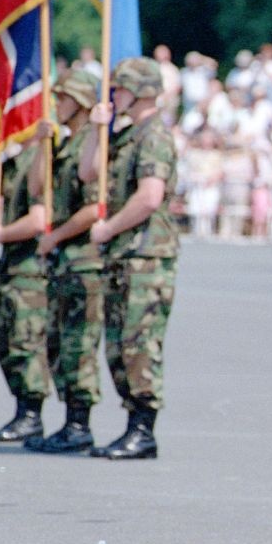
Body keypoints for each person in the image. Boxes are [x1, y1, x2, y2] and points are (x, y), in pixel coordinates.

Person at [81, 56, 180, 460]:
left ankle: (143, 430)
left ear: (140, 91)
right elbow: (89, 172)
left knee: (140, 345)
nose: (114, 95)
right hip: (124, 256)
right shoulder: (125, 135)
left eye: (119, 89)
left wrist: (109, 228)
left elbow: (150, 196)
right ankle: (132, 424)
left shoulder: (154, 135)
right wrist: (96, 130)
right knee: (119, 346)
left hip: (146, 256)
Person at [25, 68, 105, 453]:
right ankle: (70, 420)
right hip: (63, 262)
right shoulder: (65, 142)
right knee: (57, 343)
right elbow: (36, 187)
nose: (57, 102)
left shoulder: (93, 142)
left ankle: (80, 424)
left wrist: (55, 235)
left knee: (79, 345)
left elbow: (94, 209)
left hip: (84, 260)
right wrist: (42, 145)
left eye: (64, 96)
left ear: (82, 101)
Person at [0, 140, 52, 443]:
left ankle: (31, 415)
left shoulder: (39, 158)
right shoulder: (10, 161)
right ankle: (22, 411)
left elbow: (38, 220)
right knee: (7, 341)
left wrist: (1, 235)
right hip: (11, 267)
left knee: (26, 343)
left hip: (30, 270)